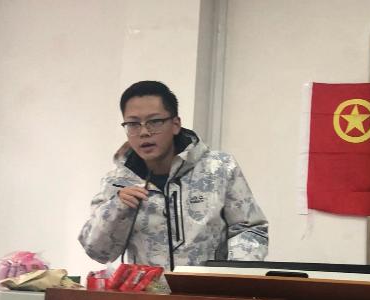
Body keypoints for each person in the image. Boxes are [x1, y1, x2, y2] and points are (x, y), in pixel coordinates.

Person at [79, 81, 268, 270]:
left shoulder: (219, 168)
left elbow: (250, 229)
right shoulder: (117, 183)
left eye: (155, 122)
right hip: (148, 288)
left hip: (210, 287)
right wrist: (116, 207)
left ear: (175, 124)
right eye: (133, 124)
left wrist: (233, 276)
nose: (144, 132)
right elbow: (97, 252)